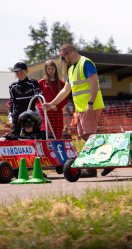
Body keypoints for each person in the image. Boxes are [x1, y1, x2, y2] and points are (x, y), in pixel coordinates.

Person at [43, 44, 114, 177]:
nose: (62, 61)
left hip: (90, 106)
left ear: (70, 53)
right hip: (81, 108)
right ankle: (107, 161)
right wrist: (51, 103)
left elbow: (94, 83)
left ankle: (98, 165)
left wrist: (90, 103)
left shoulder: (85, 63)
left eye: (63, 57)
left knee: (89, 135)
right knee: (84, 135)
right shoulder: (71, 69)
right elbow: (65, 90)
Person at [36, 60, 69, 139]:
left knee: (57, 133)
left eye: (52, 69)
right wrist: (43, 108)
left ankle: (56, 150)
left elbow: (65, 98)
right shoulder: (41, 83)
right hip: (45, 113)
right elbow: (37, 99)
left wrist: (57, 106)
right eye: (48, 69)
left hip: (57, 113)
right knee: (45, 133)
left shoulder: (61, 83)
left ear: (55, 69)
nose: (50, 71)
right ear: (46, 70)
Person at [8, 62, 41, 138]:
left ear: (27, 71)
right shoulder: (12, 86)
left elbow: (38, 92)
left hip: (30, 114)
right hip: (17, 114)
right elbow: (12, 102)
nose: (20, 75)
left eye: (22, 73)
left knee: (31, 135)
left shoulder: (33, 83)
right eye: (17, 73)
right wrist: (12, 115)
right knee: (14, 136)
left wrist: (38, 93)